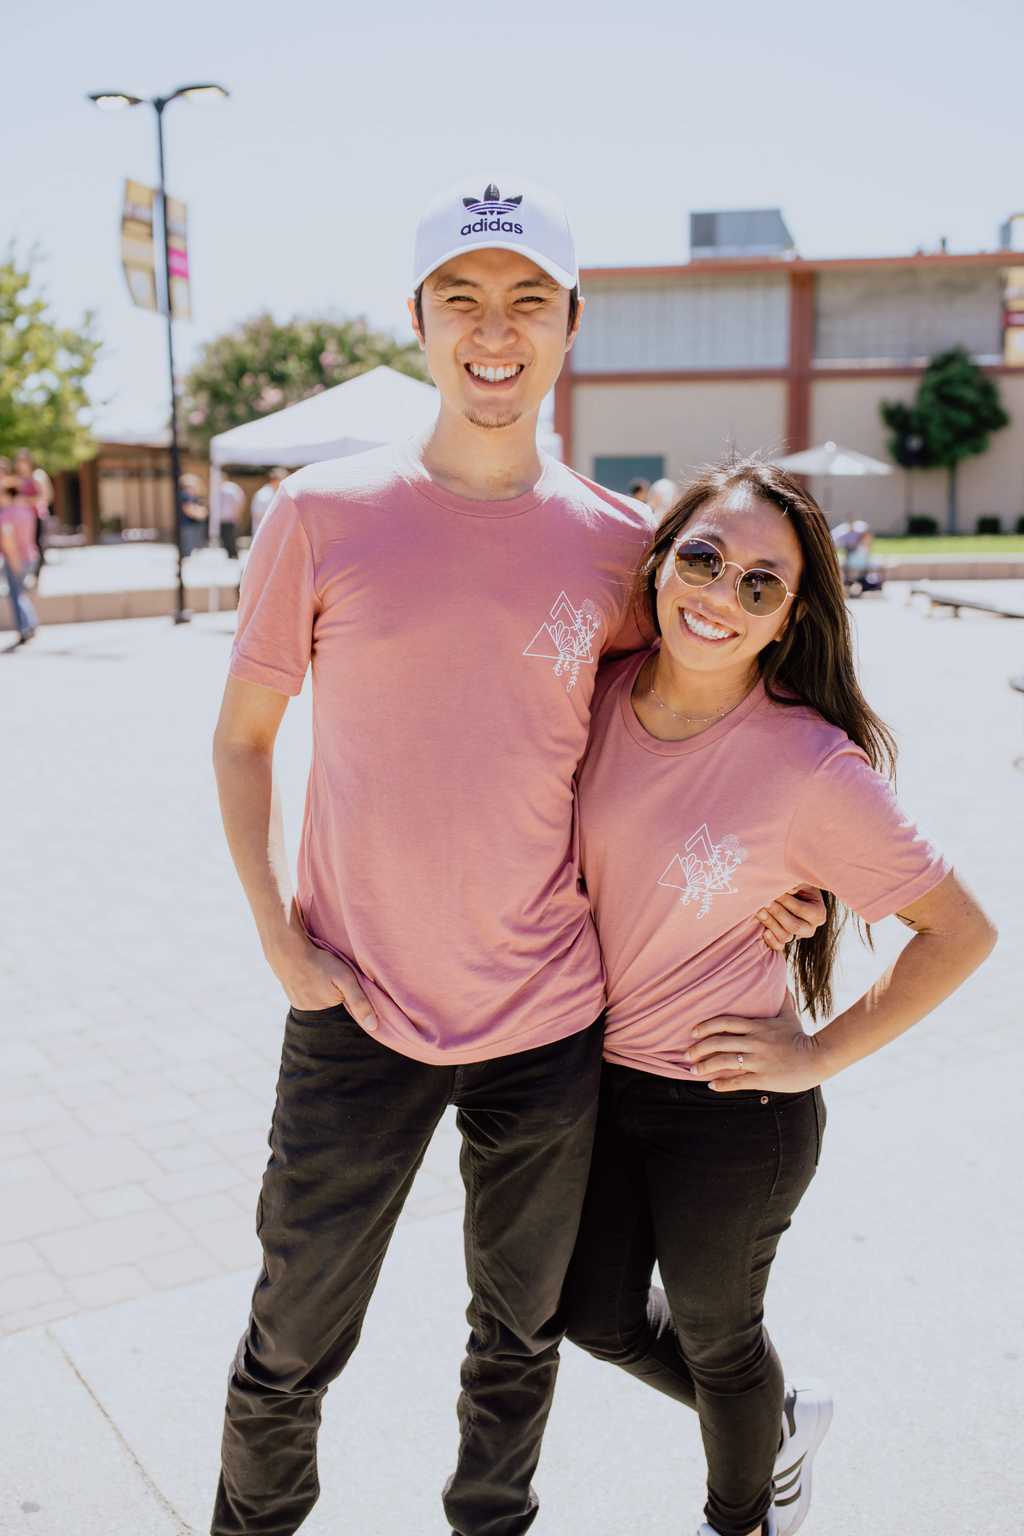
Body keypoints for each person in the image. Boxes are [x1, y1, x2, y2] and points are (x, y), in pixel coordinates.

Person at [208, 177, 821, 1536]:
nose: (497, 329)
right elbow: (245, 737)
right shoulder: (319, 512)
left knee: (518, 1343)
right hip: (352, 1008)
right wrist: (275, 934)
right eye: (465, 300)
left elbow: (689, 731)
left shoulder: (618, 552)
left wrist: (789, 867)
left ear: (570, 326)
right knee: (288, 1345)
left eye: (528, 301)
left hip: (546, 1025)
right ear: (422, 322)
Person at [563, 458, 997, 1536]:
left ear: (787, 618)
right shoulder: (596, 689)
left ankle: (743, 1513)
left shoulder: (810, 767)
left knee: (719, 1340)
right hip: (594, 1086)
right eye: (703, 558)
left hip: (730, 1114)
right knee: (591, 1314)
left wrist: (816, 1055)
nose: (720, 595)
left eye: (761, 584)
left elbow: (962, 932)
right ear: (660, 560)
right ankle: (778, 1421)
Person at [0, 470, 39, 645]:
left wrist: (14, 562)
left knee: (17, 595)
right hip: (31, 556)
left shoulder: (6, 515)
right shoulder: (26, 511)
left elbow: (8, 542)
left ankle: (25, 627)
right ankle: (31, 624)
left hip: (16, 559)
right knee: (22, 593)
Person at [13, 448, 51, 584]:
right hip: (21, 518)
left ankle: (36, 575)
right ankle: (25, 573)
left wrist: (26, 501)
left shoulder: (37, 476)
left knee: (38, 544)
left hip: (36, 515)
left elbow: (46, 496)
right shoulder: (17, 479)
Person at [248, 466, 287, 540]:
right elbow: (259, 514)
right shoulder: (263, 494)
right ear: (274, 480)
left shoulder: (281, 492)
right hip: (264, 534)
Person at [179, 473, 208, 557]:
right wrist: (199, 513)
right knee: (187, 549)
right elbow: (189, 509)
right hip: (188, 526)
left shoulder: (195, 497)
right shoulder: (184, 495)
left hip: (195, 525)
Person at [216, 476, 245, 560]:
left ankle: (233, 553)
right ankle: (230, 553)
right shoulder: (221, 488)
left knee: (231, 536)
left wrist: (237, 513)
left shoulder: (231, 488)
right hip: (224, 517)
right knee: (226, 536)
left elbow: (238, 501)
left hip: (230, 517)